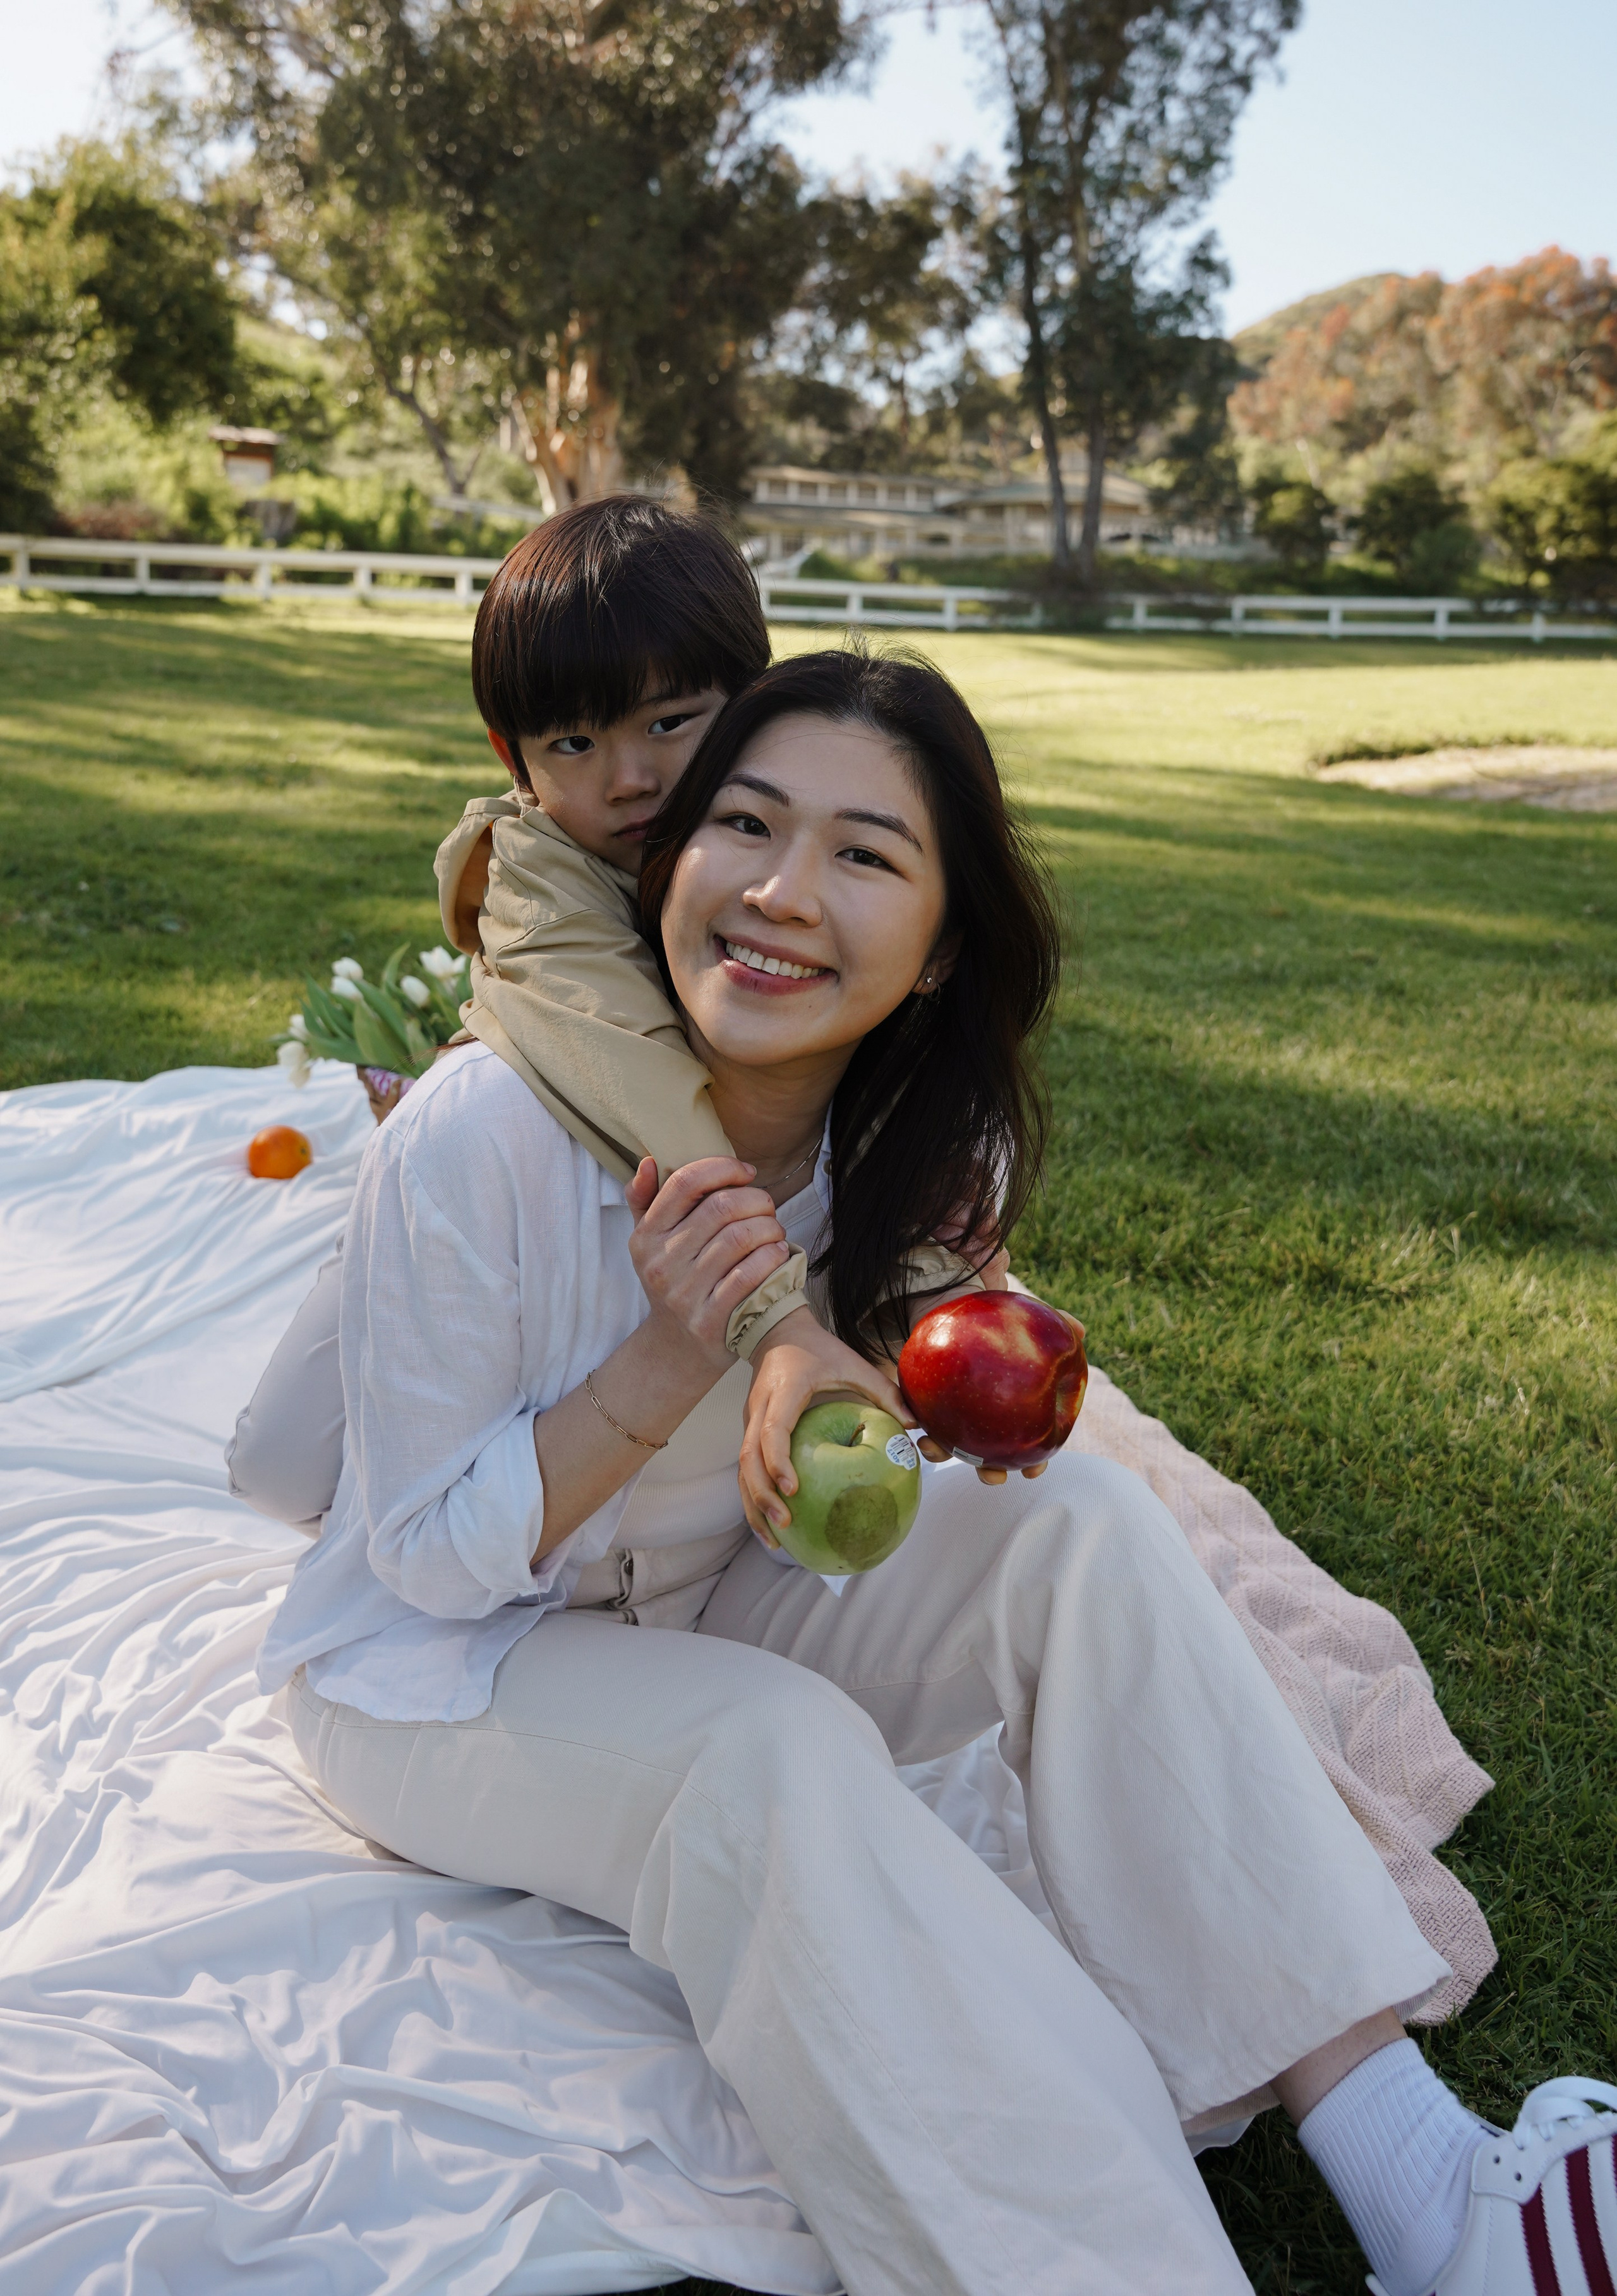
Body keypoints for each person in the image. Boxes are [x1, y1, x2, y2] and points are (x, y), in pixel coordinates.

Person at [258, 649, 1615, 2296]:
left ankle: (1420, 2181)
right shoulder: (483, 1132)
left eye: (864, 853)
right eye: (741, 824)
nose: (778, 891)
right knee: (771, 1756)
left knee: (1087, 1518)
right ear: (667, 860)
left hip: (692, 1599)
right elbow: (418, 1559)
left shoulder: (901, 1150)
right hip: (432, 1670)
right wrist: (680, 1353)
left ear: (939, 945)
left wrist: (938, 1389)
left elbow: (879, 1437)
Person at [227, 496, 985, 1530]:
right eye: (574, 742)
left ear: (754, 702)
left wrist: (943, 1296)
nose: (632, 779)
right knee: (280, 1471)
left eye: (672, 723)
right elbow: (632, 1066)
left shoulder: (763, 837)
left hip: (590, 1208)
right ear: (515, 759)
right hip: (481, 1165)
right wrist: (775, 1325)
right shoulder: (544, 876)